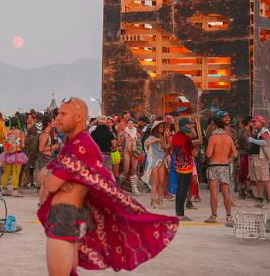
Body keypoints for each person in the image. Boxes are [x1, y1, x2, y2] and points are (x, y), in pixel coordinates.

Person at [38, 98, 176, 276]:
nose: (58, 117)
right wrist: (50, 174)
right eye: (58, 113)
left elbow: (50, 182)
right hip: (66, 214)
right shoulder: (74, 144)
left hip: (65, 215)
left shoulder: (81, 146)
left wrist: (47, 174)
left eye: (63, 113)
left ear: (79, 117)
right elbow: (50, 176)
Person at [172, 118, 198, 221]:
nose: (190, 127)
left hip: (178, 166)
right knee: (183, 190)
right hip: (186, 167)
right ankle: (180, 214)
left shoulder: (174, 137)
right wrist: (196, 148)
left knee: (179, 190)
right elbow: (193, 153)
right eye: (189, 125)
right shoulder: (186, 138)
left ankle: (177, 212)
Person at [142, 118, 170, 209]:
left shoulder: (163, 137)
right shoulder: (152, 137)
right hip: (154, 162)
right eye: (160, 127)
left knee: (162, 182)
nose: (162, 128)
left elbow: (165, 147)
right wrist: (156, 140)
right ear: (156, 128)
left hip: (161, 161)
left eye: (163, 127)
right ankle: (154, 201)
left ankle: (160, 200)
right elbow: (146, 144)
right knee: (155, 182)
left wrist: (170, 141)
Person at [247, 116, 270, 208]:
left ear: (261, 122)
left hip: (262, 159)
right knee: (258, 180)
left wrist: (252, 140)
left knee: (266, 180)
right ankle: (260, 199)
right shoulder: (258, 132)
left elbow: (265, 142)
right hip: (256, 157)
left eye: (256, 122)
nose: (254, 123)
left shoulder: (264, 131)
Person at [0, 117, 28, 197]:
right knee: (16, 172)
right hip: (17, 154)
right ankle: (15, 190)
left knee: (6, 172)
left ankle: (4, 189)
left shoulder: (8, 132)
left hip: (7, 154)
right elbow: (22, 144)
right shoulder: (21, 132)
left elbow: (4, 142)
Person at [236, 116, 253, 198]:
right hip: (245, 153)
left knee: (243, 172)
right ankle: (246, 190)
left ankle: (242, 190)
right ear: (249, 123)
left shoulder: (240, 131)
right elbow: (247, 144)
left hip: (241, 153)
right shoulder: (246, 132)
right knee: (245, 172)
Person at [22, 113, 39, 188]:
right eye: (29, 118)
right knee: (27, 166)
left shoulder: (34, 127)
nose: (30, 119)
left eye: (31, 118)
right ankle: (27, 181)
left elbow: (34, 137)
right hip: (26, 148)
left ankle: (29, 182)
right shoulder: (24, 127)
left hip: (32, 148)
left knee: (30, 166)